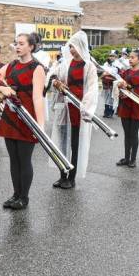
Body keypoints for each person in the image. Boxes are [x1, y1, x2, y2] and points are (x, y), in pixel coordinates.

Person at [0, 33, 45, 209]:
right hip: (10, 116)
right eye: (16, 43)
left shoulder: (37, 68)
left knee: (24, 159)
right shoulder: (11, 65)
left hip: (27, 118)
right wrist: (0, 90)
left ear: (31, 47)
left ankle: (24, 197)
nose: (18, 46)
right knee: (13, 159)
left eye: (22, 44)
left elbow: (38, 98)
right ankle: (15, 194)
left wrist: (40, 125)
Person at [51, 31, 99, 189]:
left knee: (75, 145)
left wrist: (85, 106)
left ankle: (71, 178)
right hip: (65, 108)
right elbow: (54, 76)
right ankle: (62, 175)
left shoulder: (89, 65)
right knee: (62, 142)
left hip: (79, 109)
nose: (71, 50)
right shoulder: (66, 63)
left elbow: (92, 88)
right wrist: (56, 82)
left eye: (74, 46)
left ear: (81, 46)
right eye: (70, 46)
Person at [112, 50, 139, 167]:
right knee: (127, 133)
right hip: (125, 104)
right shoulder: (125, 72)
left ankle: (133, 159)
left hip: (136, 105)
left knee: (134, 133)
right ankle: (126, 158)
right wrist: (119, 85)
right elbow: (119, 85)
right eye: (130, 57)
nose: (130, 59)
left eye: (133, 57)